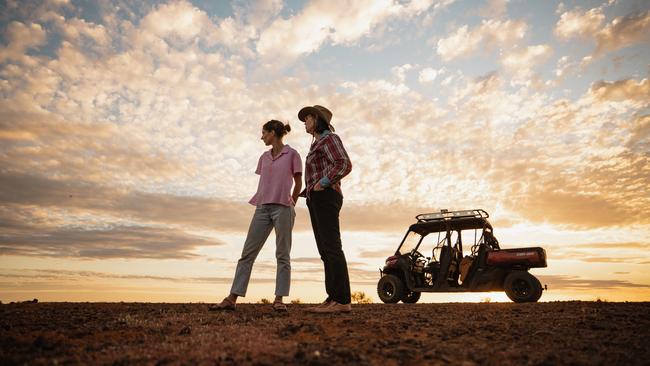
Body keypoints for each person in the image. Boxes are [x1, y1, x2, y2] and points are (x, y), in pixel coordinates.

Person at [210, 120, 302, 312]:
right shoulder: (264, 157)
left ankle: (279, 299)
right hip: (262, 208)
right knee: (247, 254)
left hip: (283, 208)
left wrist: (292, 203)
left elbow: (298, 182)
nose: (261, 137)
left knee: (282, 255)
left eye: (264, 133)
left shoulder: (292, 154)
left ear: (273, 133)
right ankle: (232, 298)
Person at [298, 105, 353, 313]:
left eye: (308, 118)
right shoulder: (317, 144)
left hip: (326, 197)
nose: (305, 122)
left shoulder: (330, 139)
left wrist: (323, 183)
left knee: (331, 247)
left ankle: (342, 300)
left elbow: (343, 163)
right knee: (325, 250)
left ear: (317, 120)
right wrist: (309, 190)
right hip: (316, 198)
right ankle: (333, 298)